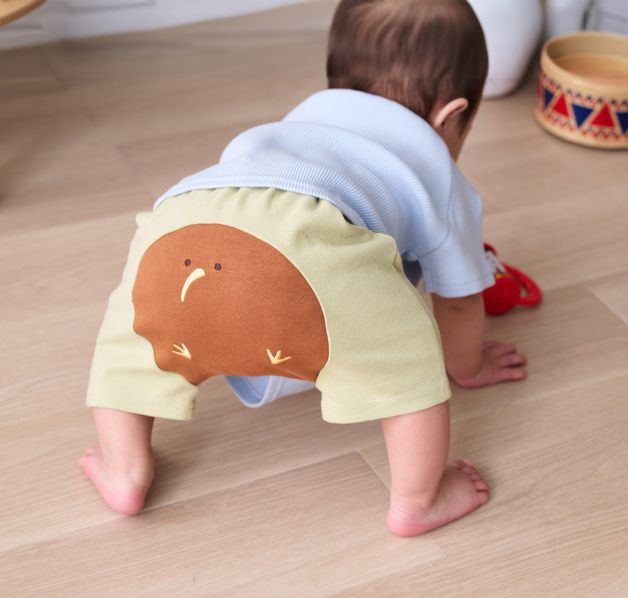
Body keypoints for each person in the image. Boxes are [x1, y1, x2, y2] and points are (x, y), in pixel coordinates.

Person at [82, 0, 527, 536]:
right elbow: (458, 301)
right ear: (451, 116)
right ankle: (420, 499)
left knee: (130, 348)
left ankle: (124, 470)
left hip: (177, 223)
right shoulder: (437, 168)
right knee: (407, 360)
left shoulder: (277, 131)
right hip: (313, 238)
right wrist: (468, 365)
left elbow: (249, 229)